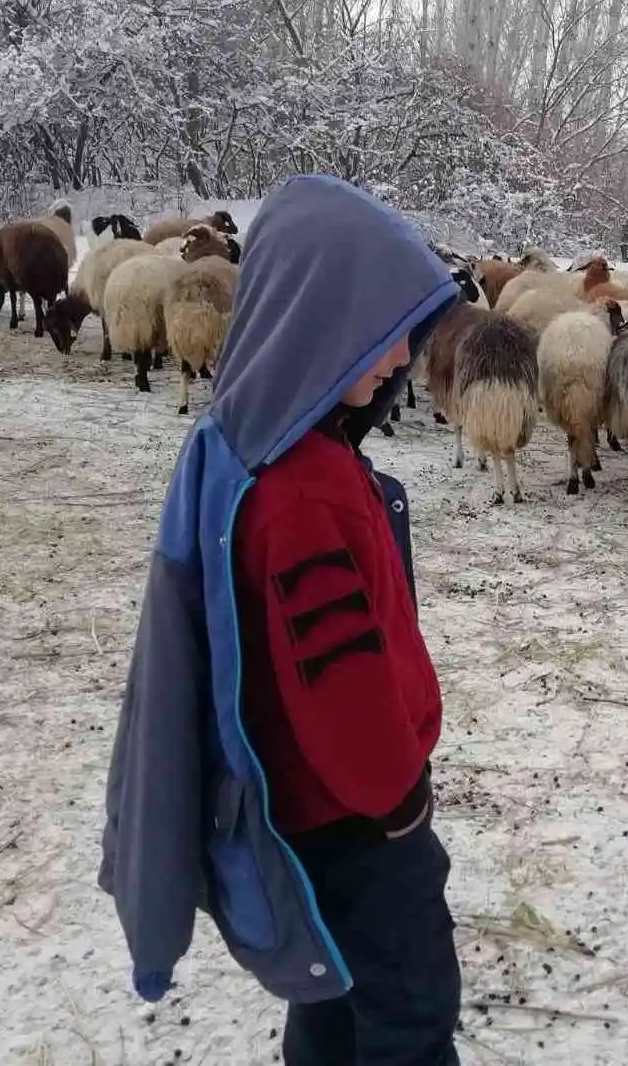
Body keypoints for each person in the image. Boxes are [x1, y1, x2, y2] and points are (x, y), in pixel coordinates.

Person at [98, 175, 467, 1065]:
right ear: (316, 322)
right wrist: (400, 802)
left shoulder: (281, 452)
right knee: (411, 1016)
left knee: (333, 995)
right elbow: (338, 689)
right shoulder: (301, 492)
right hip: (358, 822)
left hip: (320, 814)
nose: (396, 362)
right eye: (377, 338)